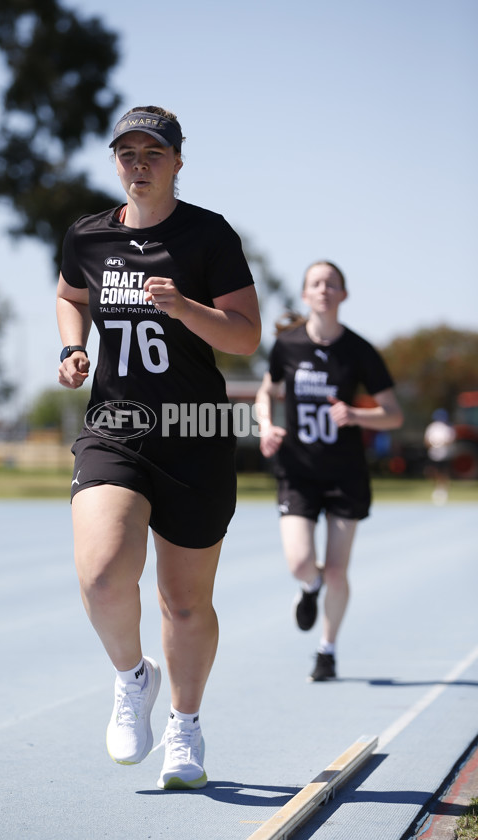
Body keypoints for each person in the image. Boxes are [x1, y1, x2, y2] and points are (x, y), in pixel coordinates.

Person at [56, 106, 261, 789]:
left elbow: (245, 336)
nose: (139, 163)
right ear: (115, 161)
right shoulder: (87, 236)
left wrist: (186, 309)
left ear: (177, 161)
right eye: (128, 152)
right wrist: (71, 346)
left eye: (154, 152)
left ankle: (185, 725)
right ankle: (131, 677)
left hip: (196, 436)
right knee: (102, 571)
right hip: (115, 426)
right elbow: (69, 295)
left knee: (182, 602)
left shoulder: (208, 235)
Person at [255, 261, 403, 682]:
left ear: (343, 294)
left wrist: (356, 414)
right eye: (315, 283)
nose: (323, 289)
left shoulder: (359, 350)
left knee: (338, 570)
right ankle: (309, 588)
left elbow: (393, 415)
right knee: (302, 562)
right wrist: (266, 425)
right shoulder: (288, 346)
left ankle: (327, 650)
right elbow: (267, 391)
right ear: (305, 294)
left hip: (344, 474)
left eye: (331, 284)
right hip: (298, 470)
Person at [424, 409, 456, 505]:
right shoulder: (432, 427)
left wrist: (442, 444)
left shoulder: (448, 428)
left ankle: (443, 490)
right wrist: (433, 444)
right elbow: (426, 440)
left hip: (444, 453)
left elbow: (451, 440)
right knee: (432, 471)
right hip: (433, 453)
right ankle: (437, 488)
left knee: (444, 472)